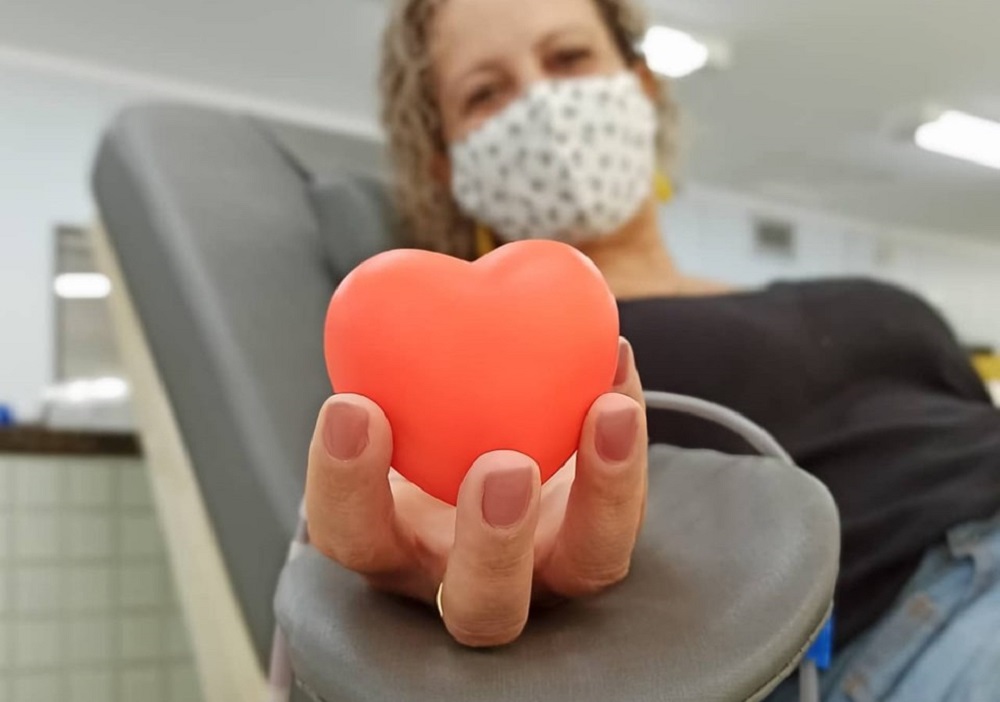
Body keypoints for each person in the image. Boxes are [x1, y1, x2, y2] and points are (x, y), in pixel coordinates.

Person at [304, 0, 1000, 698]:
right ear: (445, 165)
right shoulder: (495, 381)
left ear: (641, 86)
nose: (543, 103)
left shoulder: (861, 297)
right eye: (485, 93)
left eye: (569, 58)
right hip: (928, 615)